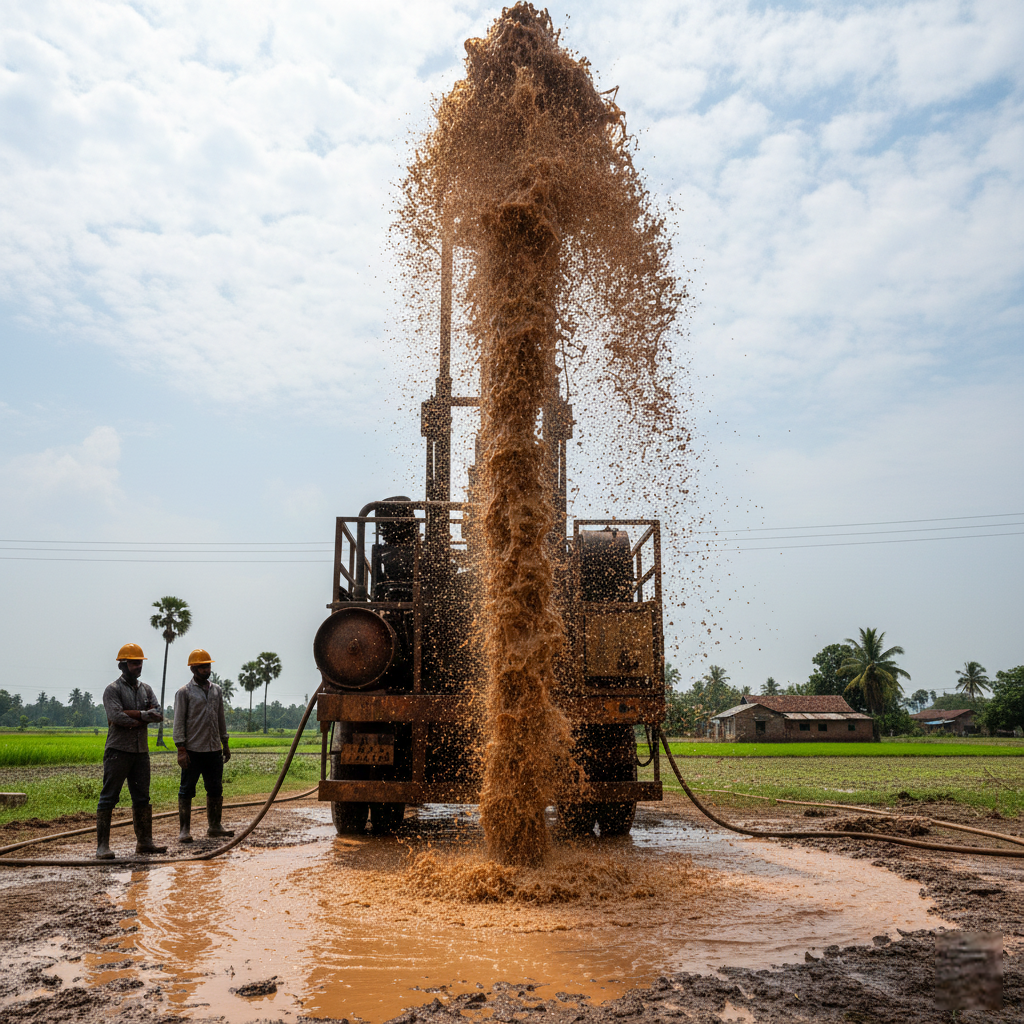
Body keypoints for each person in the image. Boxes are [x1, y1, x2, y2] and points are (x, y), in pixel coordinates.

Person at [96, 643, 167, 859]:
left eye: (140, 663)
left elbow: (159, 714)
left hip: (140, 752)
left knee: (142, 798)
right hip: (118, 750)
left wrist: (134, 714)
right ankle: (102, 847)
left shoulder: (146, 689)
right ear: (122, 665)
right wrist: (143, 717)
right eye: (134, 663)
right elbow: (116, 716)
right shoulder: (112, 690)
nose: (138, 666)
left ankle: (144, 842)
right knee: (109, 797)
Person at [173, 649, 233, 843]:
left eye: (208, 666)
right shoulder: (184, 692)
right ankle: (184, 830)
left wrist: (225, 743)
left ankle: (215, 826)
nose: (206, 670)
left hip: (213, 749)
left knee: (215, 788)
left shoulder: (216, 690)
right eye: (202, 667)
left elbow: (220, 718)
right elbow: (178, 722)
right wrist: (181, 749)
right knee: (186, 790)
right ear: (193, 669)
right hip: (192, 750)